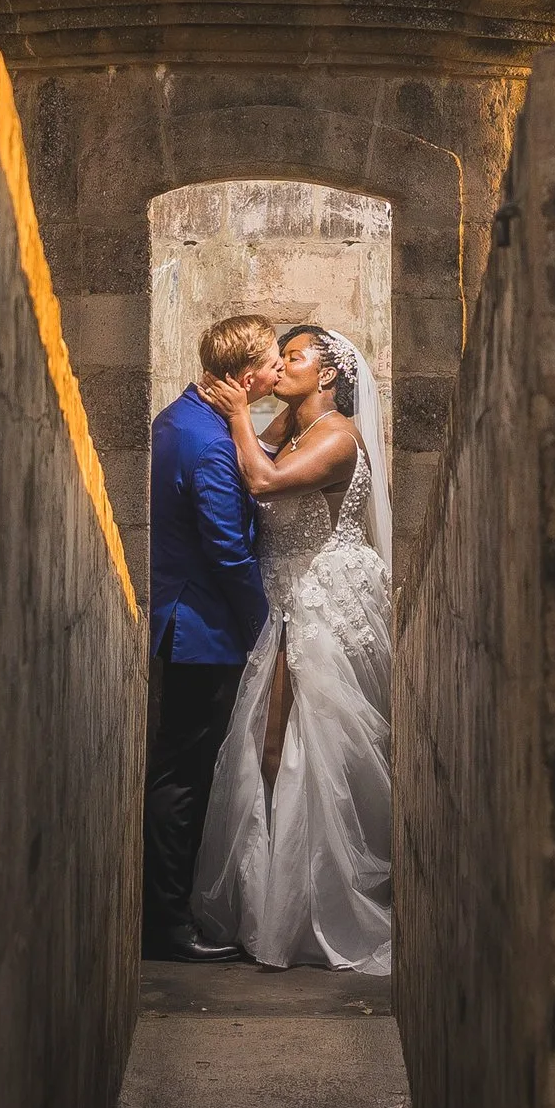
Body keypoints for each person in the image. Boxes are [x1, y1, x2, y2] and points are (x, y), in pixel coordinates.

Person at [187, 324, 393, 975]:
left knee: (306, 755)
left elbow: (265, 484)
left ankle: (315, 909)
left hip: (317, 604)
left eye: (294, 358)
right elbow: (253, 454)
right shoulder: (293, 426)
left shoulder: (333, 437)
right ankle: (274, 904)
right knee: (268, 753)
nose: (282, 366)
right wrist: (251, 409)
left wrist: (244, 411)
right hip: (285, 596)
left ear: (328, 375)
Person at [143, 311, 277, 962]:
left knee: (184, 771)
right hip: (204, 630)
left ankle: (173, 913)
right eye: (274, 362)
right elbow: (227, 549)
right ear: (248, 377)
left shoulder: (179, 419)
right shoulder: (212, 444)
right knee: (184, 777)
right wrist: (263, 627)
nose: (280, 370)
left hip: (185, 620)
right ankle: (167, 926)